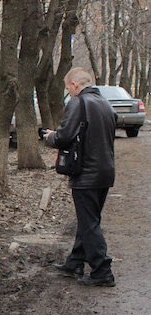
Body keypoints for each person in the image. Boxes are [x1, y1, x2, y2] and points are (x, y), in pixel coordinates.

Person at [42, 67, 117, 287]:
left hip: (87, 173)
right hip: (105, 171)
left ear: (75, 85)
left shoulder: (79, 103)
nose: (69, 92)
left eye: (68, 88)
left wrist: (50, 136)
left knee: (89, 223)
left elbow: (64, 136)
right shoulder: (105, 104)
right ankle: (74, 262)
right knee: (90, 219)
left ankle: (103, 270)